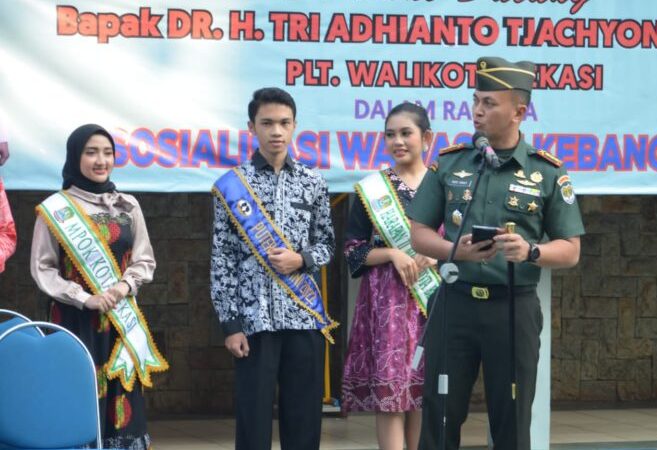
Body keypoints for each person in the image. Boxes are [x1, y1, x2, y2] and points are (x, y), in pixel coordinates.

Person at [407, 57, 585, 450]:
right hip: (454, 304)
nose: (477, 111)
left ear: (519, 112)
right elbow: (418, 234)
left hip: (513, 309)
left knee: (512, 418)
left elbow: (570, 250)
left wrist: (531, 250)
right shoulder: (451, 163)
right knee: (439, 414)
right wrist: (458, 252)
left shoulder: (548, 172)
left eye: (489, 103)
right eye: (475, 101)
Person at [210, 87, 336, 450]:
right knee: (253, 420)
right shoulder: (232, 185)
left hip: (303, 318)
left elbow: (327, 244)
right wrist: (230, 325)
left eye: (284, 123)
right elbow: (222, 260)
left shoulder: (313, 181)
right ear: (252, 127)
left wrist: (302, 260)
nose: (276, 131)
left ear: (295, 126)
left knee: (304, 419)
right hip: (254, 322)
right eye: (267, 123)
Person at [30, 124, 167, 449]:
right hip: (74, 322)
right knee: (75, 393)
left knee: (122, 400)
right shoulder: (54, 209)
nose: (100, 160)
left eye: (107, 153)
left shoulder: (128, 205)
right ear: (75, 157)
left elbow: (144, 260)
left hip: (120, 323)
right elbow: (42, 267)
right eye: (91, 152)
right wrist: (82, 298)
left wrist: (122, 287)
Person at [342, 103, 439, 450]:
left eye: (406, 133)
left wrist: (437, 253)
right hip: (388, 307)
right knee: (391, 395)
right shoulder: (372, 190)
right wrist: (392, 253)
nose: (398, 141)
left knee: (422, 393)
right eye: (390, 135)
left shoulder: (445, 186)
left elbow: (461, 243)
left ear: (426, 138)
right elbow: (353, 252)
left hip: (432, 302)